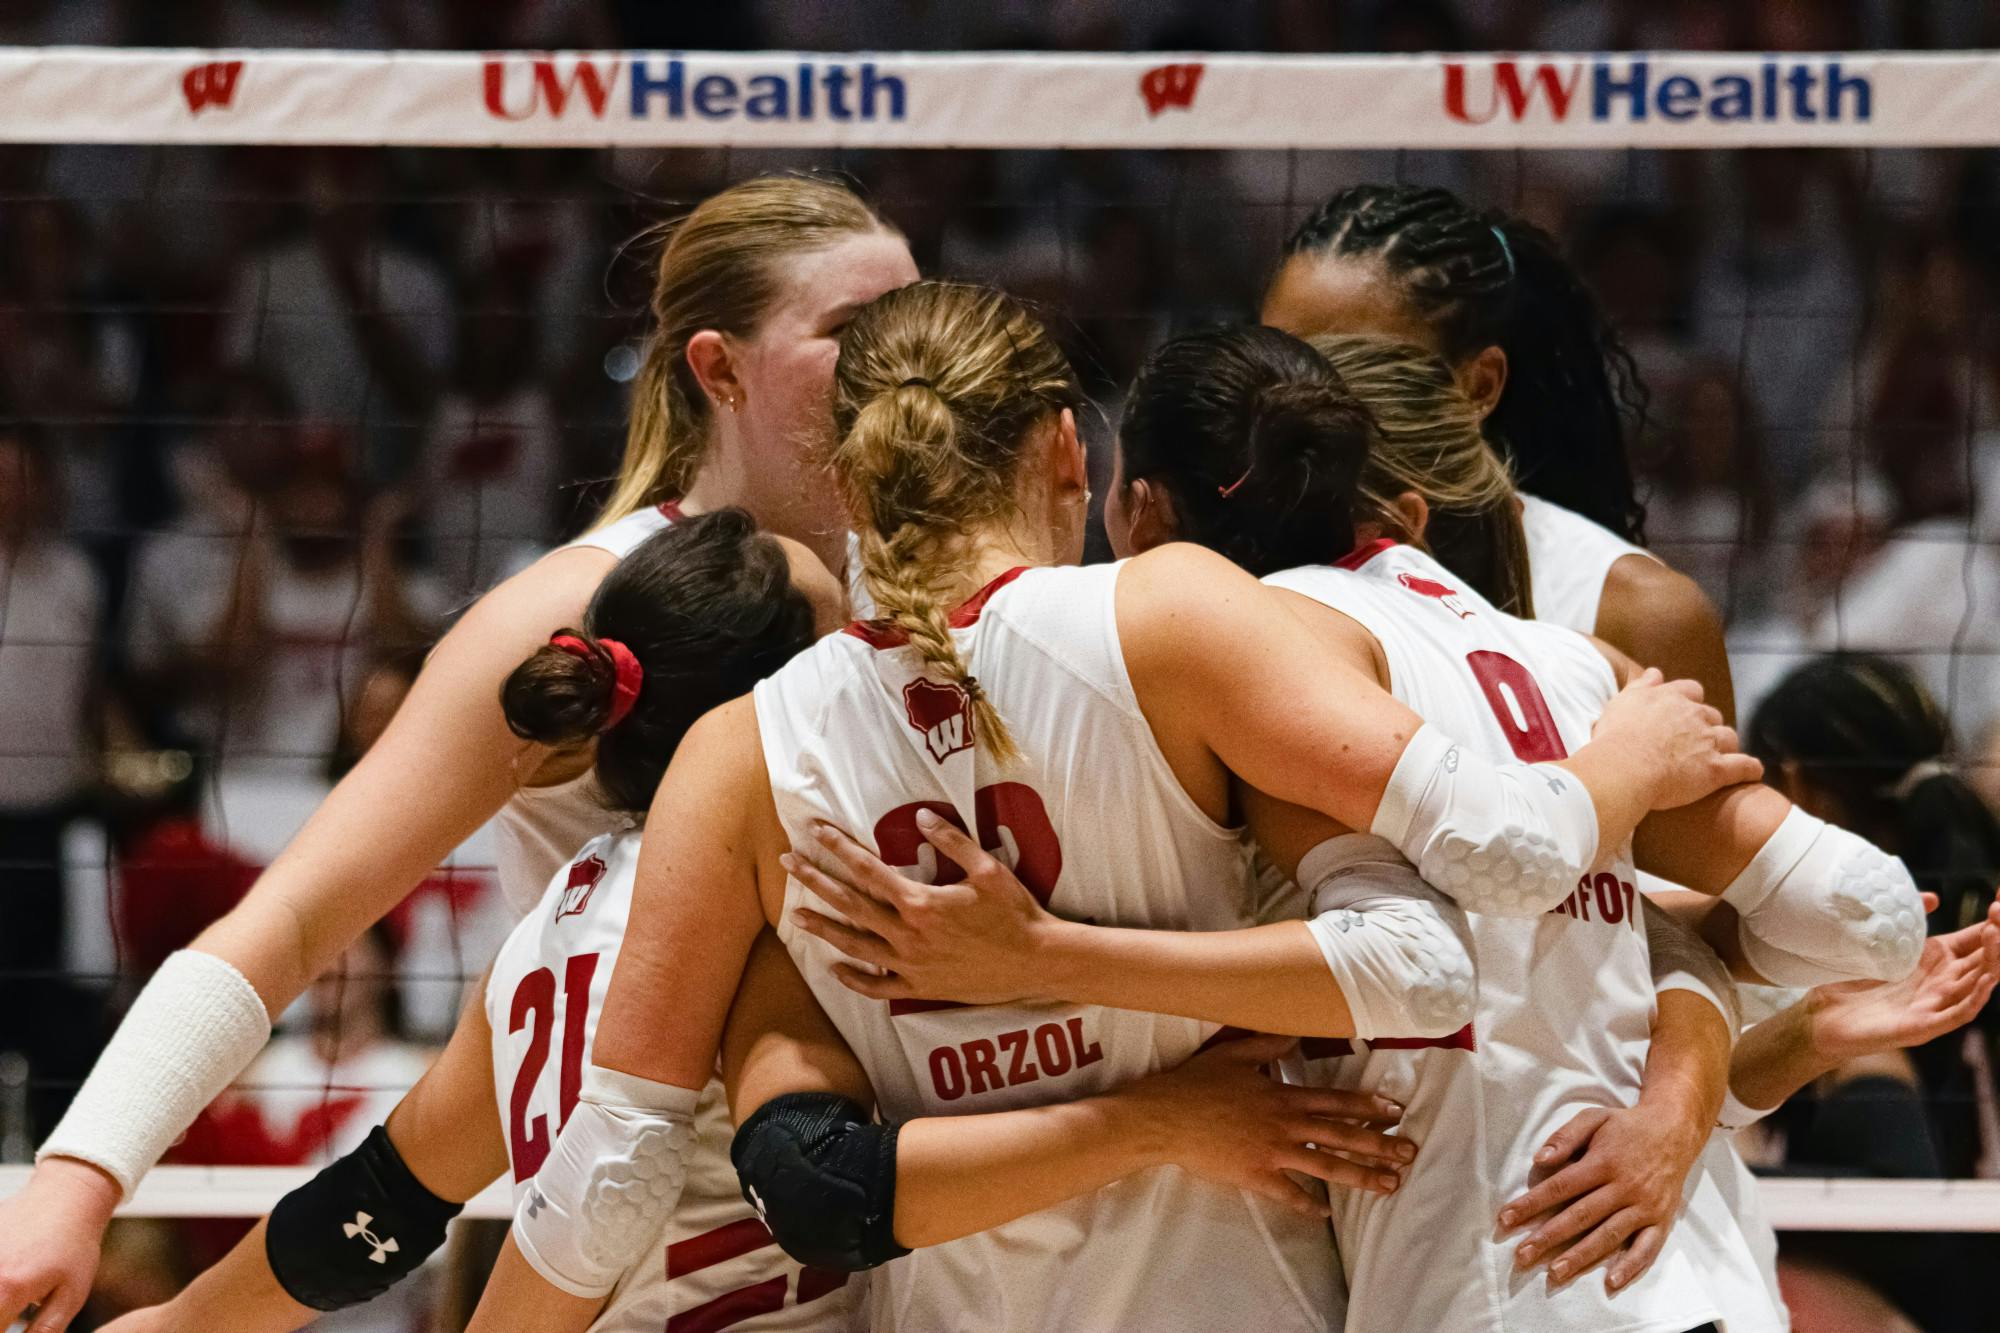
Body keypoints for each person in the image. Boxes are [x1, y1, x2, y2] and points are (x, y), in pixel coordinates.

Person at [467, 281, 1758, 1333]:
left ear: (850, 488)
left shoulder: (741, 752)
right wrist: (1623, 766)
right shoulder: (1172, 617)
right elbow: (1445, 942)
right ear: (1068, 452)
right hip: (1235, 1299)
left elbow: (641, 1171)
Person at [782, 326, 1926, 1333]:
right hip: (1698, 1275)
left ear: (1136, 514)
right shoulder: (1582, 667)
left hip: (1479, 1282)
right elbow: (1865, 915)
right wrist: (1676, 1092)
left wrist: (1041, 957)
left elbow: (1431, 959)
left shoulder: (1268, 696)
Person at [99, 508, 1416, 1333]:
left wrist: (181, 1324)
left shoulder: (543, 938)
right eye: (841, 638)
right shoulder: (772, 917)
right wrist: (1169, 1114)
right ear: (781, 699)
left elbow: (377, 1206)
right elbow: (828, 1189)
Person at [0, 172, 917, 1333]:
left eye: (914, 316)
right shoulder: (573, 608)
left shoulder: (955, 595)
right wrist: (80, 1179)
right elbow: (287, 922)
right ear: (717, 370)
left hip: (918, 1256)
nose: (904, 359)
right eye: (852, 331)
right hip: (667, 1252)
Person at [1260, 182, 1735, 719]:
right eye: (1278, 358)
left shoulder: (1642, 614)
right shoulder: (1214, 552)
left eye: (1360, 371)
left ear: (1481, 385)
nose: (1297, 400)